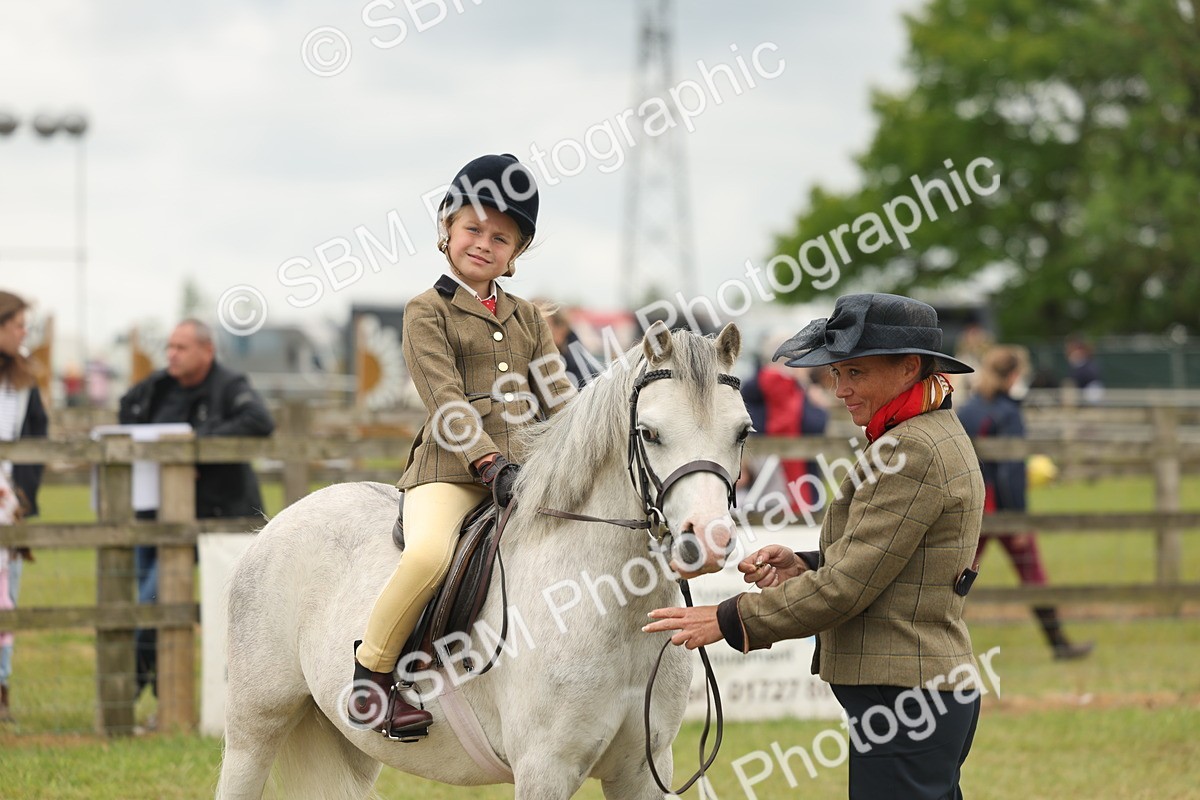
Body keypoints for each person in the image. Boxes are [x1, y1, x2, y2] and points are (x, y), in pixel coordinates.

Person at [646, 293, 985, 799]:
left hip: (906, 695)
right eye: (837, 373)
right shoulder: (918, 433)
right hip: (912, 693)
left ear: (910, 367)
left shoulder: (913, 448)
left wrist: (725, 619)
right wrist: (807, 563)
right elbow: (889, 559)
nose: (840, 388)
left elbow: (846, 589)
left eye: (856, 373)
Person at [348, 154, 575, 739]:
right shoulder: (426, 311)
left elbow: (560, 397)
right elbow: (444, 400)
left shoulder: (530, 318)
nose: (484, 243)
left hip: (523, 475)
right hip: (451, 473)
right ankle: (371, 678)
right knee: (428, 556)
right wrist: (487, 459)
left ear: (515, 252)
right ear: (446, 228)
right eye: (473, 228)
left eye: (500, 237)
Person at [118, 318, 275, 702]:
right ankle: (155, 692)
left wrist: (194, 447)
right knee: (151, 607)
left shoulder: (229, 385)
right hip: (160, 516)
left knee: (240, 609)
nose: (171, 354)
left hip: (222, 515)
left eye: (180, 348)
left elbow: (259, 421)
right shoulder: (158, 386)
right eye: (169, 347)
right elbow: (126, 413)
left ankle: (238, 694)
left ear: (207, 351)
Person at [958, 346, 1093, 661]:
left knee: (957, 575)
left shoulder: (967, 410)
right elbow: (1010, 472)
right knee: (1032, 573)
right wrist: (1018, 520)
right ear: (1015, 375)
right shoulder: (1008, 413)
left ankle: (929, 640)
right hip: (1001, 506)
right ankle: (1058, 643)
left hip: (971, 505)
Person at [0, 291, 49, 723]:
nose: (24, 333)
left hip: (8, 509)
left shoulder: (25, 381)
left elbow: (36, 440)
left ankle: (2, 691)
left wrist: (22, 497)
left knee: (6, 600)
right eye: (18, 325)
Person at [738, 331, 828, 513]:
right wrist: (812, 394)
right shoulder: (789, 387)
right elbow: (815, 425)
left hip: (761, 491)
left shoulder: (751, 386)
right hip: (790, 487)